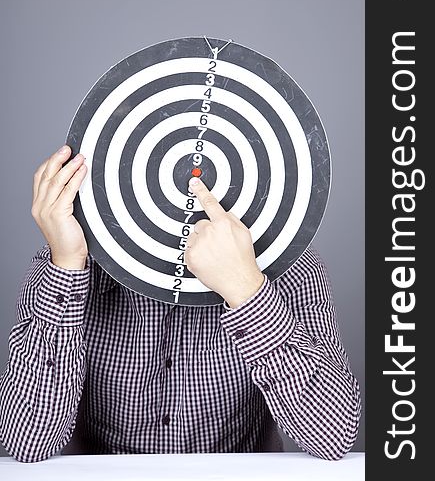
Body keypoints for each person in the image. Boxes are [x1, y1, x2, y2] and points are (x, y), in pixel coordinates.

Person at [0, 145, 361, 463]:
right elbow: (28, 442)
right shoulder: (68, 262)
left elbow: (333, 435)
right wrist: (66, 264)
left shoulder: (290, 268)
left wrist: (246, 288)